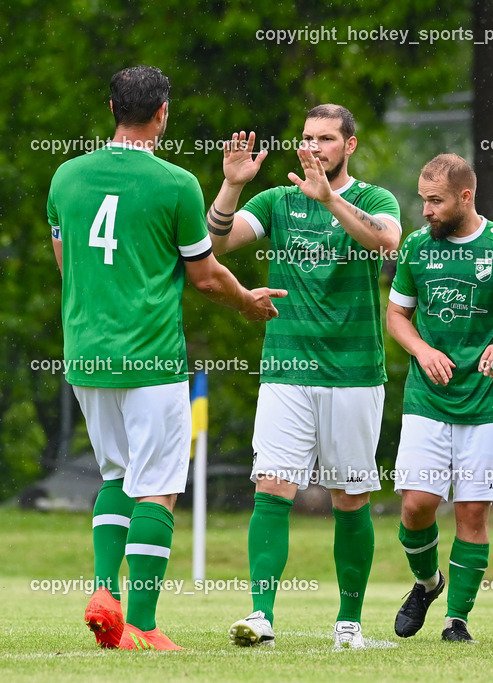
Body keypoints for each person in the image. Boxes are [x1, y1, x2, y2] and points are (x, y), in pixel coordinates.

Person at [47, 65, 284, 651]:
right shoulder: (176, 183)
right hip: (151, 356)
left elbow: (65, 260)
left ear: (111, 108)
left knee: (115, 476)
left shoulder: (66, 176)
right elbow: (204, 277)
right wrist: (246, 302)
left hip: (87, 353)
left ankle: (105, 590)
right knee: (157, 487)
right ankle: (143, 624)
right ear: (162, 114)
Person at [209, 105, 402, 650]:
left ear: (350, 145)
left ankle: (349, 624)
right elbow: (215, 243)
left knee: (349, 496)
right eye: (307, 138)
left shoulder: (373, 200)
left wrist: (330, 201)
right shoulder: (276, 201)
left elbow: (385, 244)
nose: (314, 147)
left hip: (354, 373)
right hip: (286, 370)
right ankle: (260, 614)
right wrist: (229, 186)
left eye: (326, 139)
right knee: (272, 485)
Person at [386, 153, 493, 644]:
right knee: (417, 505)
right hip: (428, 397)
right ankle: (426, 582)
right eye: (422, 200)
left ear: (465, 197)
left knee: (472, 513)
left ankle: (456, 619)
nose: (425, 211)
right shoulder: (417, 247)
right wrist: (421, 348)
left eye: (435, 201)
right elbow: (397, 316)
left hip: (487, 402)